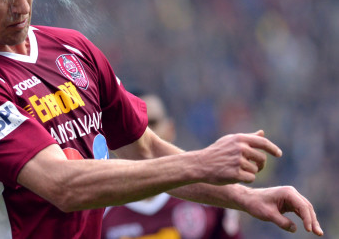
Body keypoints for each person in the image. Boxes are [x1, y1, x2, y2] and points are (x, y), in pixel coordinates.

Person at [0, 0, 323, 239]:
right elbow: (64, 186)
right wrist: (202, 162)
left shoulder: (72, 49)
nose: (23, 4)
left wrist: (246, 198)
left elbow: (144, 150)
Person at [101, 90, 242, 239]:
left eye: (152, 123)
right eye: (130, 124)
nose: (142, 134)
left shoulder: (210, 196)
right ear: (111, 138)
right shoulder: (99, 212)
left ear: (171, 129)